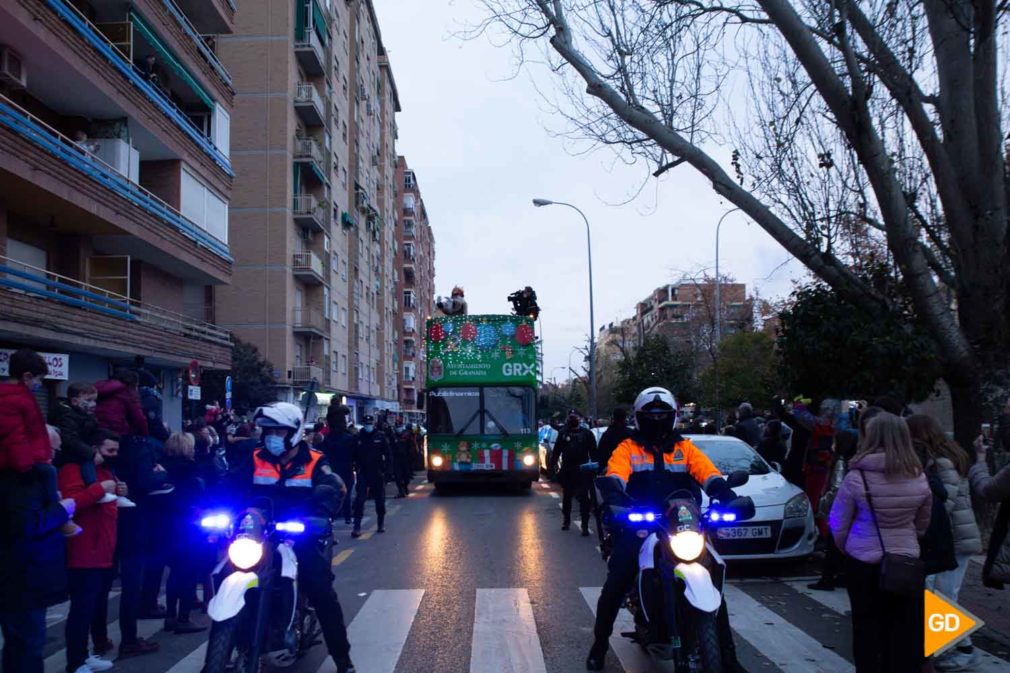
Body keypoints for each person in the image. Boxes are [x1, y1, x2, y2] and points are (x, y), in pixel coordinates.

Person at [587, 387, 745, 672]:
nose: (658, 420)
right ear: (639, 417)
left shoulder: (685, 448)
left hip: (684, 525)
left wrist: (726, 496)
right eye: (652, 415)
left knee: (713, 574)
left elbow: (708, 474)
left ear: (672, 417)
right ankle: (599, 645)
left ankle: (729, 655)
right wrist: (614, 497)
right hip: (644, 526)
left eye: (663, 414)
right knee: (616, 583)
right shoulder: (627, 448)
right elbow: (615, 475)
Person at [228, 402, 355, 673]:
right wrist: (209, 508)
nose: (272, 436)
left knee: (322, 592)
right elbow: (230, 485)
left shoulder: (315, 461)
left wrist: (321, 514)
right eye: (268, 430)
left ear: (294, 432)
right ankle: (228, 644)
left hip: (301, 536)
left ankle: (343, 660)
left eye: (279, 431)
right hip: (258, 535)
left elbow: (332, 487)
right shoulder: (255, 458)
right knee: (227, 573)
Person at [829, 412, 931, 673]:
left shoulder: (858, 477)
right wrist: (908, 540)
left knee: (866, 627)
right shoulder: (918, 475)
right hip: (905, 559)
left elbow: (838, 523)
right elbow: (922, 522)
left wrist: (848, 547)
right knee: (903, 628)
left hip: (863, 560)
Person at [906, 414, 981, 671]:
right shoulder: (948, 457)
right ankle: (946, 646)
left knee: (944, 596)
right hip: (957, 536)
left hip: (956, 537)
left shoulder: (942, 462)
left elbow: (943, 503)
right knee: (940, 594)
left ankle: (965, 648)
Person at [58, 430, 123, 673]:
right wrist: (99, 490)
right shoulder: (73, 470)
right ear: (94, 449)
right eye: (109, 451)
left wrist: (118, 490)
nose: (113, 456)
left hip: (103, 549)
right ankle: (75, 662)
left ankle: (84, 656)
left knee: (92, 606)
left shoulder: (105, 471)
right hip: (84, 549)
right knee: (81, 609)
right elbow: (71, 504)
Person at [159, 432, 208, 634]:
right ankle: (183, 617)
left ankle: (170, 615)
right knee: (188, 573)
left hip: (167, 526)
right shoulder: (192, 471)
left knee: (174, 574)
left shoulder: (161, 469)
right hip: (190, 526)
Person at [549, 410, 596, 535]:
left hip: (582, 470)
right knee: (567, 497)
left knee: (584, 499)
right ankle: (566, 520)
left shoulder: (587, 434)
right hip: (568, 469)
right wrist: (552, 465)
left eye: (575, 417)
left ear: (579, 419)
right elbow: (557, 451)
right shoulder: (563, 433)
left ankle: (584, 525)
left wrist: (595, 467)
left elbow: (594, 452)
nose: (573, 419)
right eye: (571, 417)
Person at [50, 383, 101, 485]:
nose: (93, 404)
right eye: (88, 400)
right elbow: (69, 439)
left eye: (94, 400)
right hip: (65, 454)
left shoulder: (85, 414)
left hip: (79, 449)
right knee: (87, 460)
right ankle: (94, 486)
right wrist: (91, 452)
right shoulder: (66, 415)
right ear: (74, 401)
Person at [350, 415, 392, 538]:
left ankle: (380, 523)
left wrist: (388, 471)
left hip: (377, 472)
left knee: (380, 500)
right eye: (366, 423)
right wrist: (353, 467)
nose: (368, 425)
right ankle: (356, 527)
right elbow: (352, 456)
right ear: (363, 424)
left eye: (370, 423)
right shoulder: (357, 437)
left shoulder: (380, 436)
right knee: (360, 500)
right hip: (363, 472)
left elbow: (388, 455)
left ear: (373, 424)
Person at [319, 406, 355, 524]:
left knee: (338, 493)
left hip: (338, 469)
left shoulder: (328, 439)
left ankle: (341, 516)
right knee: (344, 493)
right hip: (340, 469)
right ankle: (346, 516)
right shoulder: (348, 438)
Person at [592, 408, 632, 474]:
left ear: (613, 418)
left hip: (611, 472)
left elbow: (600, 454)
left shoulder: (607, 435)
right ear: (625, 418)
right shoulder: (632, 434)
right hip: (629, 471)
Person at [392, 420, 414, 498]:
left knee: (406, 476)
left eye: (399, 426)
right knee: (397, 476)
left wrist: (411, 457)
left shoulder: (407, 435)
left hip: (406, 459)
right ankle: (400, 491)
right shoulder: (392, 436)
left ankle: (405, 487)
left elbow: (411, 446)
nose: (398, 428)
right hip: (396, 459)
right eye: (397, 427)